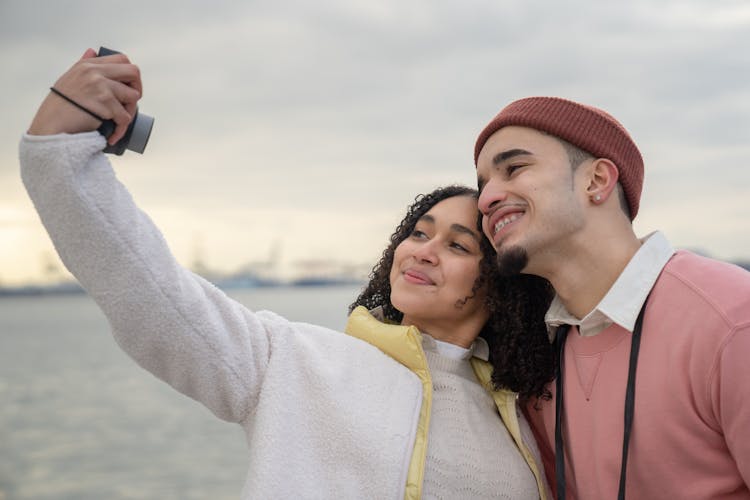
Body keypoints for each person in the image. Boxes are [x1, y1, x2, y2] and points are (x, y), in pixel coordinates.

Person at [20, 49, 556, 499]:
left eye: (457, 245)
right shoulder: (295, 364)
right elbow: (150, 291)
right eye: (418, 233)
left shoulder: (523, 412)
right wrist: (58, 154)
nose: (422, 251)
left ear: (499, 285)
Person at [473, 96, 750, 499]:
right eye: (483, 187)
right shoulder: (536, 358)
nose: (485, 200)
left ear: (597, 180)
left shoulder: (730, 320)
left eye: (514, 168)